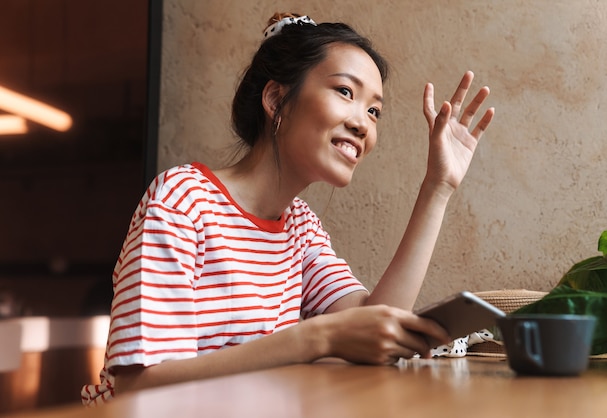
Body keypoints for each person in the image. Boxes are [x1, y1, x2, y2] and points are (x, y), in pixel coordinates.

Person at [81, 12, 494, 406]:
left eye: (374, 111)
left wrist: (437, 188)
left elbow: (374, 321)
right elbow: (139, 386)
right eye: (345, 92)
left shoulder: (300, 227)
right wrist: (314, 340)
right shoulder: (181, 201)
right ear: (277, 99)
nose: (363, 124)